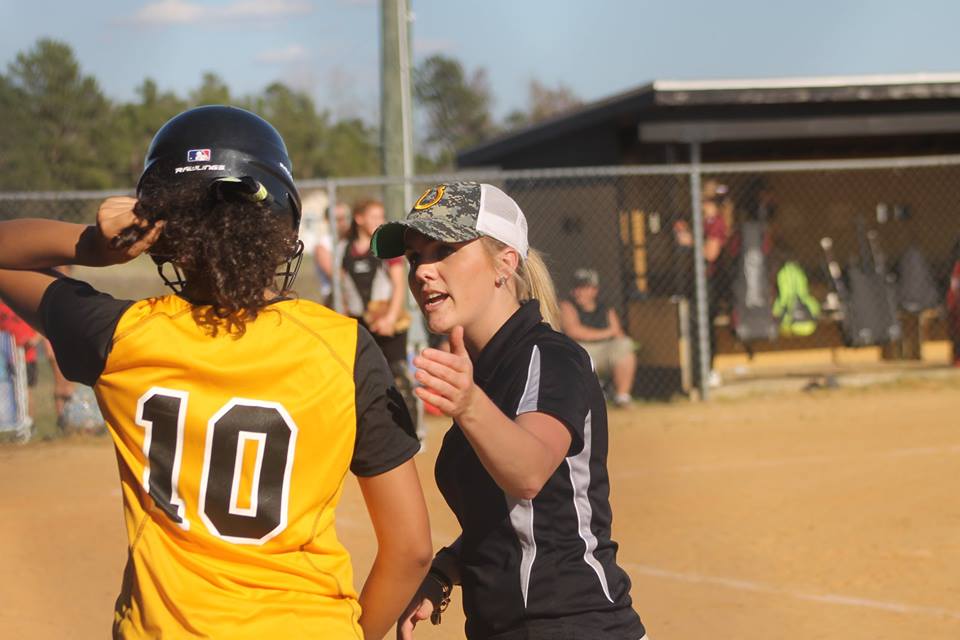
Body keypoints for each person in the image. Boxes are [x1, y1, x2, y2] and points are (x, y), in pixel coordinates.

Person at [0, 105, 432, 639]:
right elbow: (411, 550)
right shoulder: (342, 346)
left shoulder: (124, 335)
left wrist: (92, 245)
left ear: (166, 233)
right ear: (282, 226)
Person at [372, 182, 647, 640]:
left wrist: (468, 403)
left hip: (575, 627)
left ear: (505, 262)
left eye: (444, 249)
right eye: (417, 256)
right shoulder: (480, 374)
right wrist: (446, 569)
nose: (423, 271)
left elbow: (528, 474)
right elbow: (508, 521)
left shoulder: (551, 358)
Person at [341, 198, 416, 420]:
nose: (379, 221)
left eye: (381, 216)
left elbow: (399, 284)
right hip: (359, 322)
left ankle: (414, 427)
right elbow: (342, 286)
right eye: (374, 216)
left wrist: (390, 318)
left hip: (386, 320)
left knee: (398, 377)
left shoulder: (386, 247)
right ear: (359, 218)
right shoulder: (344, 249)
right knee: (362, 377)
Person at [674, 179, 732, 387]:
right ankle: (700, 372)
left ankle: (708, 371)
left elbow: (711, 253)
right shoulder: (702, 221)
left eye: (702, 198)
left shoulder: (716, 222)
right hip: (698, 281)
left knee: (705, 328)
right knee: (697, 328)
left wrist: (691, 241)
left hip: (710, 283)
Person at [559, 268, 637, 407]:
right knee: (578, 349)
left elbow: (618, 333)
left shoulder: (605, 308)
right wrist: (607, 333)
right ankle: (594, 392)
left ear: (594, 290)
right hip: (581, 352)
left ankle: (622, 397)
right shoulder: (567, 306)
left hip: (603, 352)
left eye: (583, 287)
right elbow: (574, 331)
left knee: (625, 345)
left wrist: (613, 335)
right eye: (576, 287)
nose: (578, 291)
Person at [313, 201, 350, 306]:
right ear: (327, 221)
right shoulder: (323, 246)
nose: (343, 222)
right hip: (335, 301)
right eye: (338, 219)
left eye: (345, 218)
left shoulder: (349, 241)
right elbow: (334, 275)